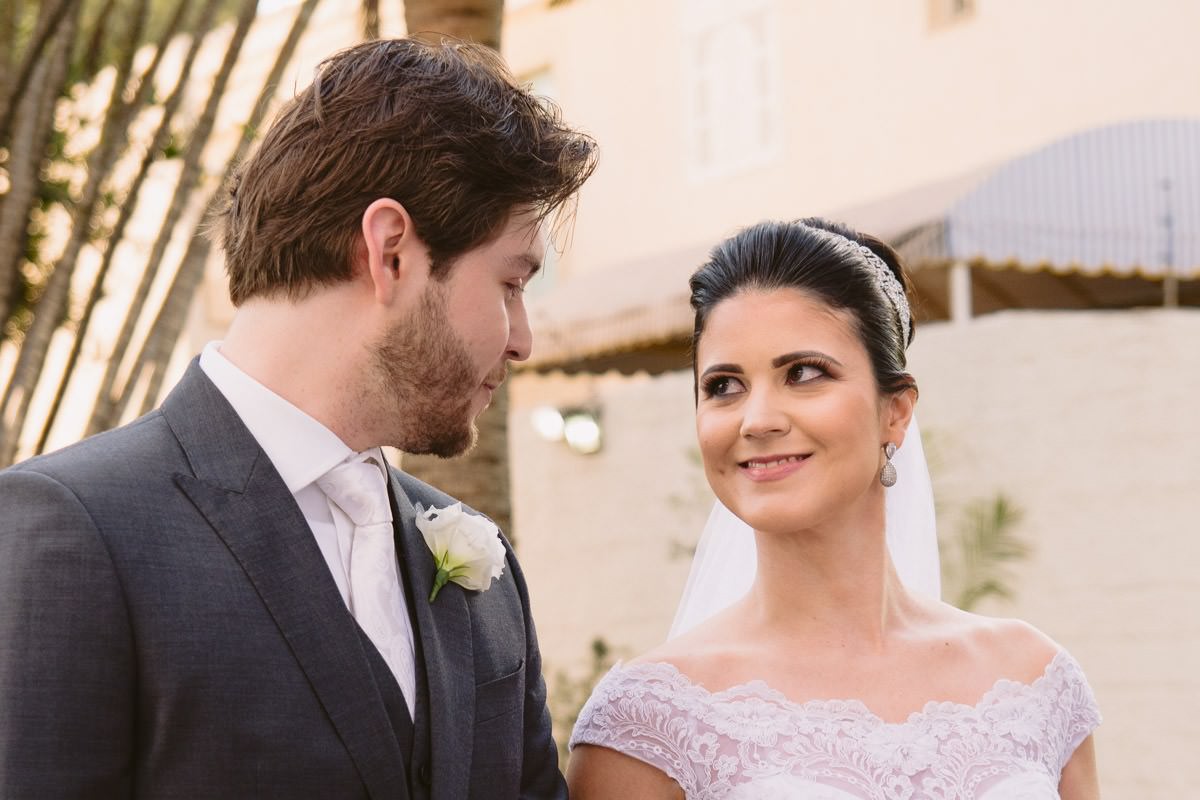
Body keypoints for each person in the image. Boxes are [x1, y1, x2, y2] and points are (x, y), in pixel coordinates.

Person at [0, 38, 595, 799]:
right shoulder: (71, 532)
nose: (522, 340)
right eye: (511, 284)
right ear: (390, 252)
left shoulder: (486, 569)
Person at [567, 219, 1101, 799]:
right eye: (724, 386)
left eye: (803, 373)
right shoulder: (646, 723)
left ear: (895, 412)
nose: (757, 420)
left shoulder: (1033, 682)